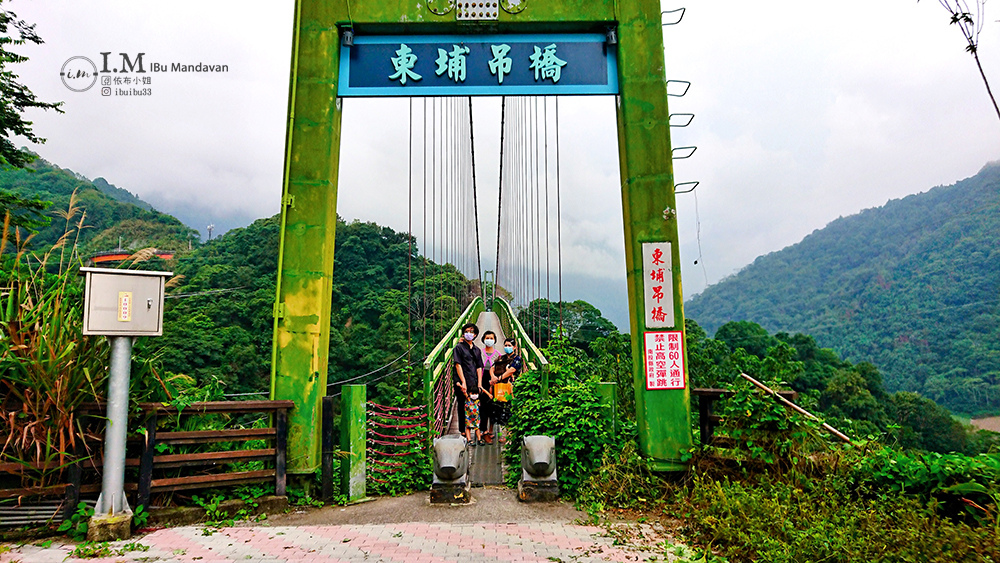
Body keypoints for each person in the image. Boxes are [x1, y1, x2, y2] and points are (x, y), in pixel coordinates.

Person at [452, 322, 483, 444]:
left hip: (474, 381)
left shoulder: (477, 350)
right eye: (466, 331)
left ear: (475, 335)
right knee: (462, 405)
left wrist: (480, 383)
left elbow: (479, 367)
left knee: (475, 406)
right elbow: (458, 364)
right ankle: (463, 431)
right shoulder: (458, 348)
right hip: (461, 381)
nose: (468, 334)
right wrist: (463, 382)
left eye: (471, 332)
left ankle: (477, 432)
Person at [489, 338, 523, 442]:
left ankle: (508, 435)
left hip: (511, 388)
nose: (507, 347)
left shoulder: (517, 359)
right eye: (505, 345)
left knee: (508, 410)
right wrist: (493, 377)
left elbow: (512, 370)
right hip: (499, 386)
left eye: (509, 345)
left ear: (514, 347)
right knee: (495, 408)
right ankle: (490, 432)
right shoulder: (501, 358)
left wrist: (498, 378)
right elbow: (492, 367)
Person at [479, 331, 502, 445]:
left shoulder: (498, 355)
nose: (489, 340)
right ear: (483, 339)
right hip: (482, 381)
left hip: (493, 382)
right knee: (483, 406)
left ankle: (491, 430)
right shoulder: (479, 353)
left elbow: (499, 369)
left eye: (491, 338)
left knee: (492, 406)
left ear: (495, 340)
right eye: (487, 338)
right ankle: (484, 431)